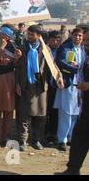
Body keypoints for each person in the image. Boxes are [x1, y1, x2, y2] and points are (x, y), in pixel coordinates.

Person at [15, 24, 63, 152]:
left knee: (40, 115)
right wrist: (17, 83)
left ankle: (36, 140)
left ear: (39, 36)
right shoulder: (22, 48)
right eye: (28, 34)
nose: (29, 36)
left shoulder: (45, 50)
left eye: (32, 34)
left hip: (40, 86)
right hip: (25, 85)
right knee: (23, 115)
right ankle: (23, 140)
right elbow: (17, 68)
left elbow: (52, 66)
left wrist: (59, 77)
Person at [57, 29, 89, 175]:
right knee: (79, 137)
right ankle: (73, 169)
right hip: (85, 106)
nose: (85, 42)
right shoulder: (85, 55)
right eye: (85, 39)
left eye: (87, 39)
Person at [0, 24, 22, 150]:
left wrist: (18, 58)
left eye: (7, 34)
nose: (4, 36)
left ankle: (6, 137)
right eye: (3, 33)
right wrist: (1, 47)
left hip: (10, 79)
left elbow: (16, 65)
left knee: (8, 110)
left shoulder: (14, 46)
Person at [54, 28, 86, 152]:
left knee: (75, 113)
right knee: (65, 113)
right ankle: (61, 140)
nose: (78, 37)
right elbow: (60, 62)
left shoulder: (83, 49)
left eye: (80, 36)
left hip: (79, 85)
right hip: (68, 84)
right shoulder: (65, 47)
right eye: (76, 35)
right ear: (72, 35)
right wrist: (76, 69)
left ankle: (71, 137)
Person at [44, 30, 62, 147]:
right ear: (48, 40)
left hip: (57, 86)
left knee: (55, 111)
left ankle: (53, 133)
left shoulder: (62, 51)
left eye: (57, 40)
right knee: (45, 111)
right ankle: (44, 133)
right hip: (46, 85)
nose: (55, 42)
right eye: (53, 39)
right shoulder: (44, 51)